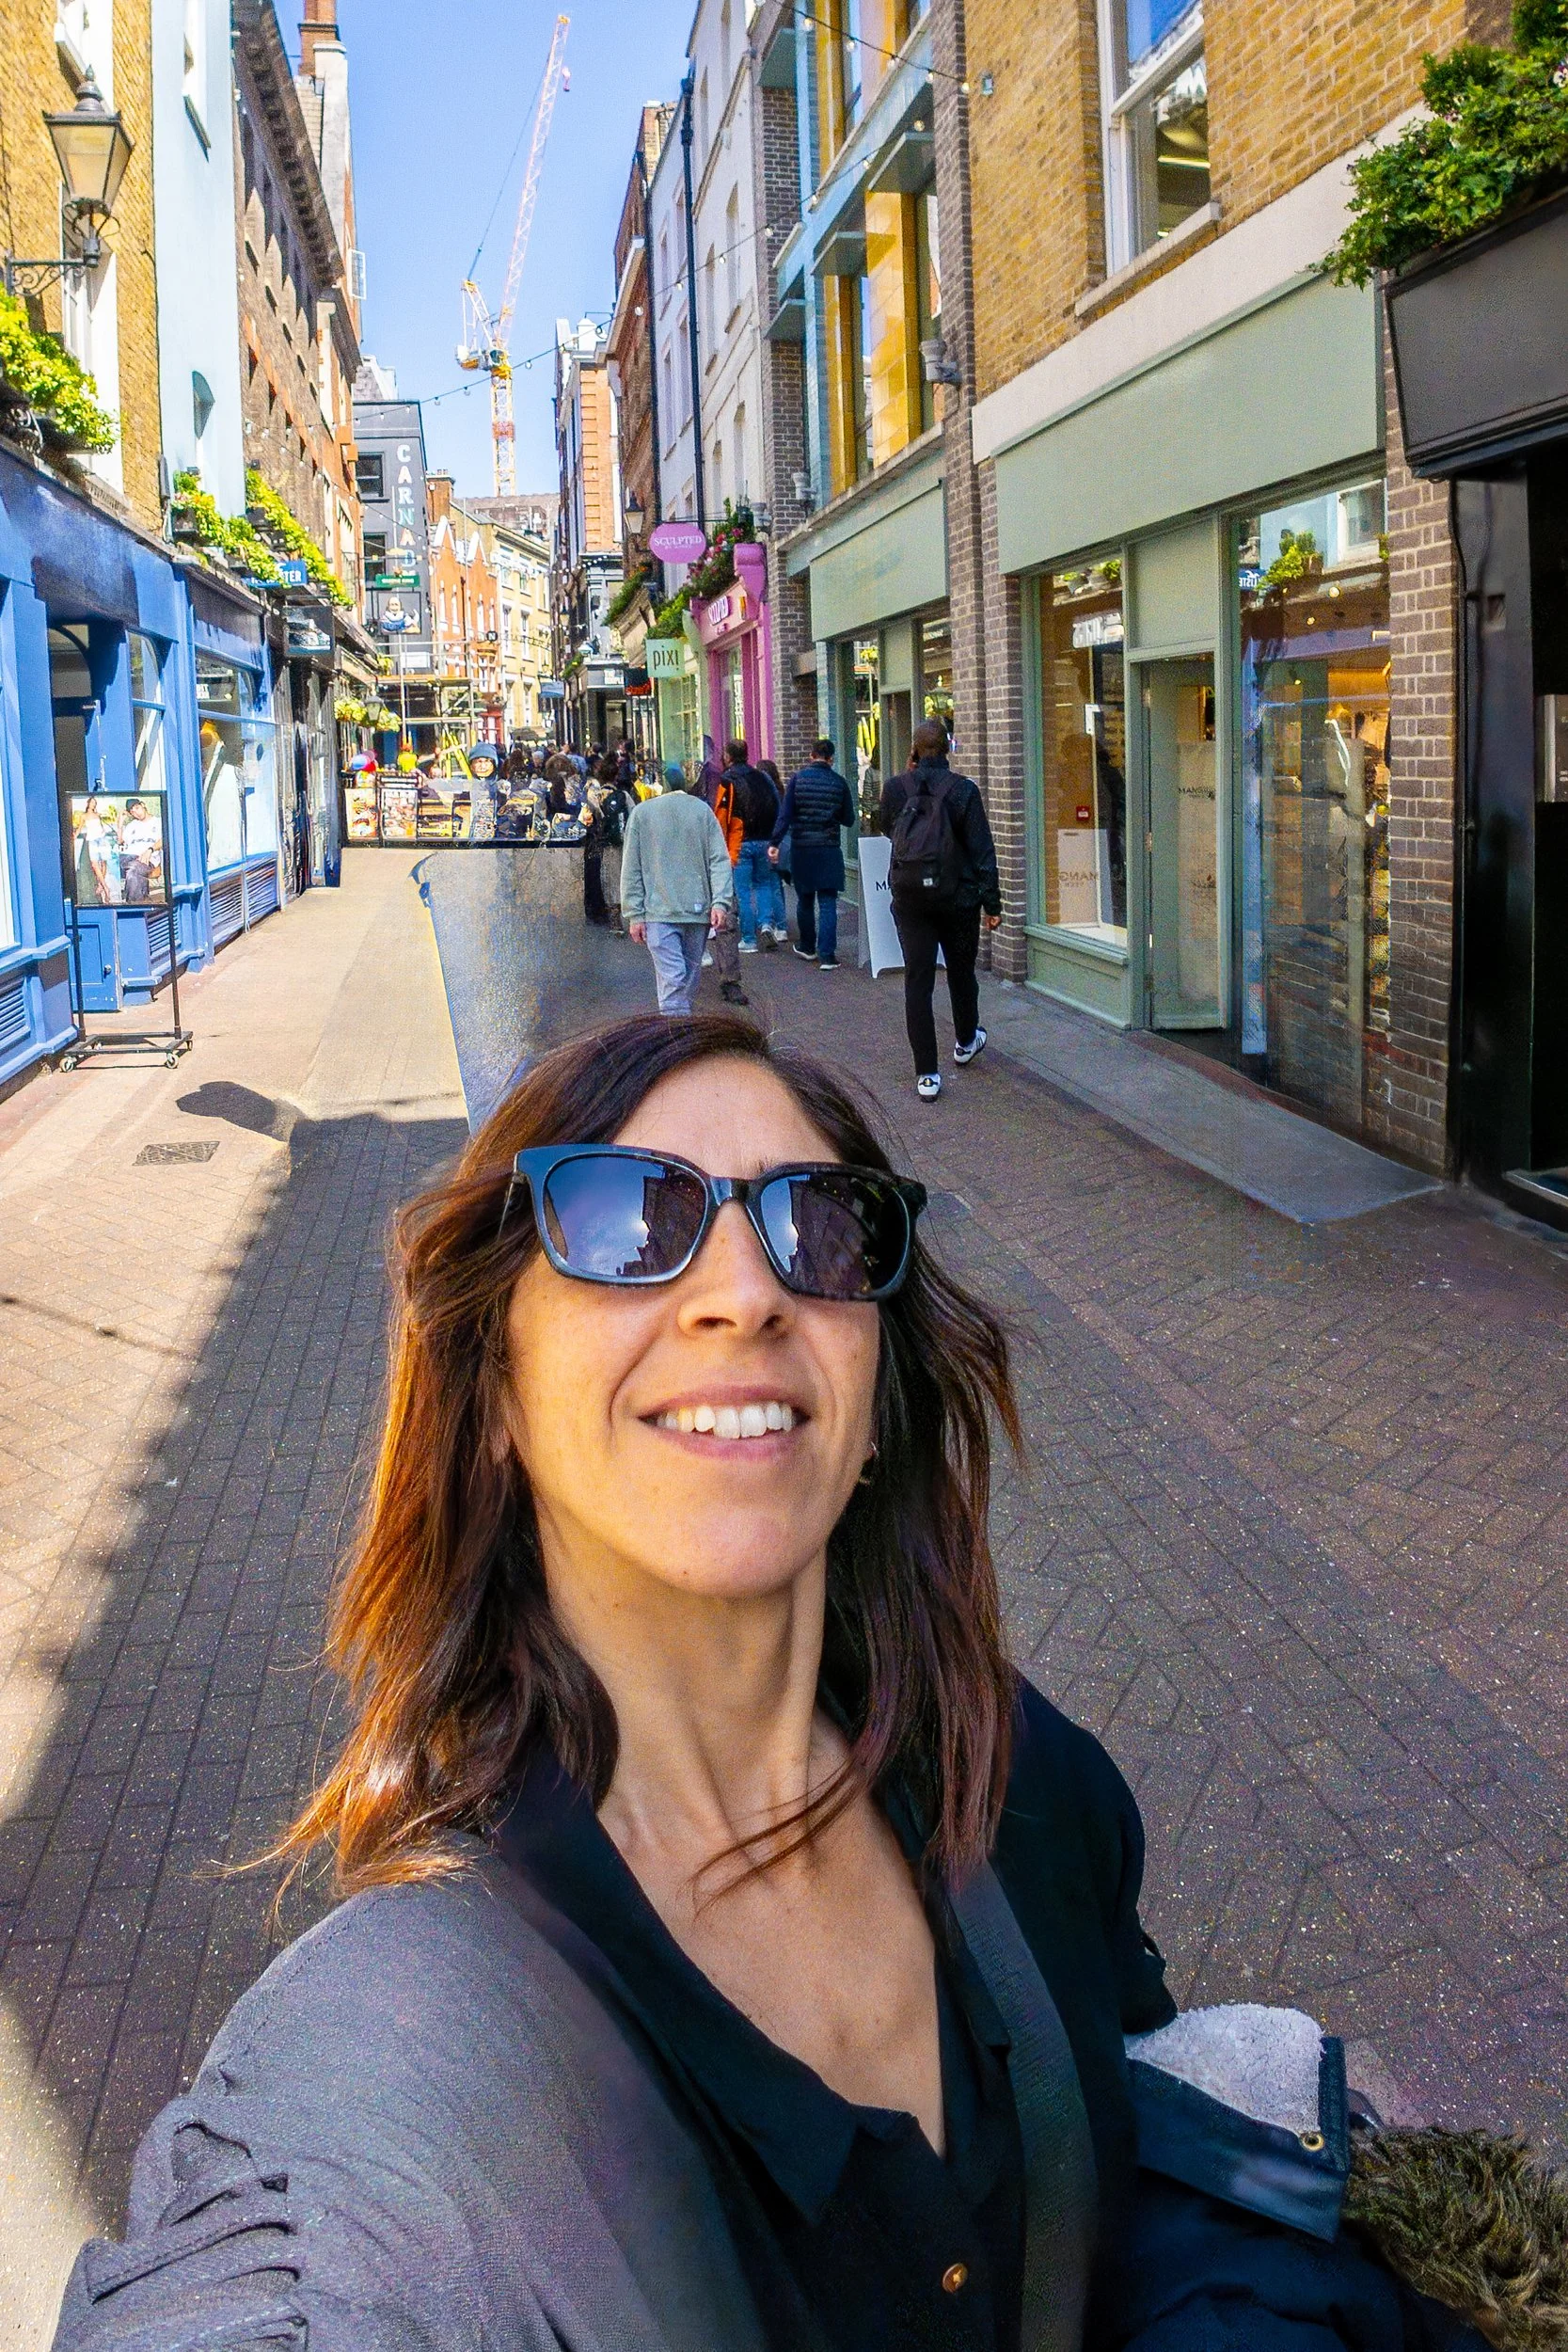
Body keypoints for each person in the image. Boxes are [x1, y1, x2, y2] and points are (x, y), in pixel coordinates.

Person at [52, 1013, 1496, 2352]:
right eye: (629, 1220)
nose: (743, 1292)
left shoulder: (1026, 1785)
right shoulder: (399, 2069)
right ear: (491, 1390)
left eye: (815, 1225)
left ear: (866, 1404)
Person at [880, 718, 1003, 1102]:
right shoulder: (964, 790)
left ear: (914, 748)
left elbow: (887, 829)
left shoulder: (895, 788)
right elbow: (982, 850)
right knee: (961, 973)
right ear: (948, 747)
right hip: (958, 898)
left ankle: (927, 1074)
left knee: (918, 981)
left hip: (911, 899)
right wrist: (992, 902)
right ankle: (966, 1040)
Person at [621, 773, 745, 1012]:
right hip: (697, 910)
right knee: (687, 980)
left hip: (658, 911)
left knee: (673, 980)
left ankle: (677, 1034)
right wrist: (720, 902)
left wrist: (635, 914)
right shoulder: (703, 812)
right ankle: (680, 1035)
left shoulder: (642, 814)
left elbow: (631, 867)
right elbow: (719, 860)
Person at [771, 738, 855, 971]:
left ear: (811, 756)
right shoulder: (839, 783)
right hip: (828, 848)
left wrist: (775, 841)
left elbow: (785, 814)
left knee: (805, 899)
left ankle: (807, 946)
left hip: (803, 848)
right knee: (828, 902)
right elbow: (849, 819)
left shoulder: (798, 780)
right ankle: (827, 955)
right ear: (831, 759)